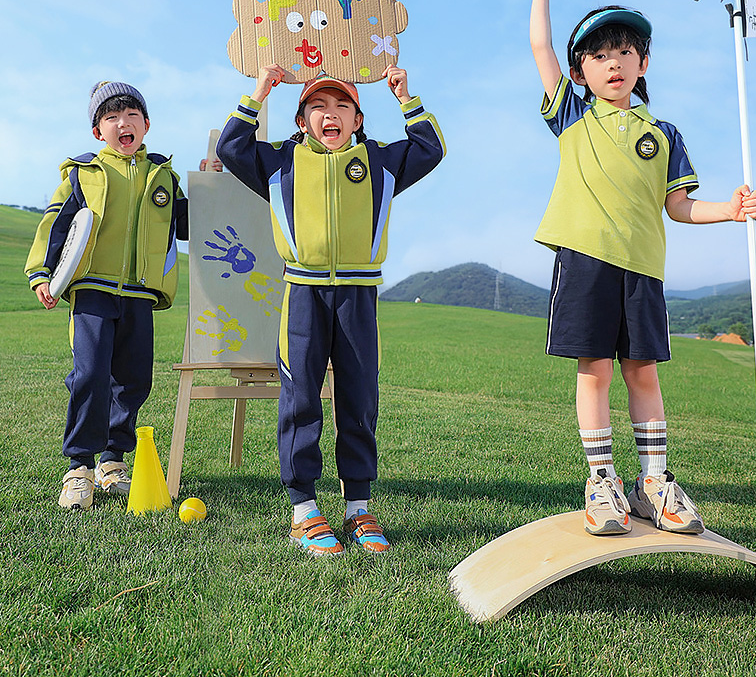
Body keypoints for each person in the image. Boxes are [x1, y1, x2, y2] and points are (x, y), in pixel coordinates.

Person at [530, 0, 756, 536]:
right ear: (581, 71)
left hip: (644, 269)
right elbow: (539, 45)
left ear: (643, 64)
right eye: (600, 55)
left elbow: (680, 208)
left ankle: (654, 482)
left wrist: (733, 211)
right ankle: (601, 479)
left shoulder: (664, 133)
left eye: (625, 52)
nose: (614, 63)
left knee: (642, 372)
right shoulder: (573, 116)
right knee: (595, 371)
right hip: (585, 262)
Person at [216, 64, 445, 555]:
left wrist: (406, 96)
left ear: (358, 119)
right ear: (302, 121)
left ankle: (358, 508)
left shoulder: (379, 162)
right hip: (302, 295)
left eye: (342, 105)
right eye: (318, 106)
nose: (330, 114)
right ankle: (304, 509)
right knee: (300, 397)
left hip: (360, 297)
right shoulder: (281, 162)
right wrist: (260, 90)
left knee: (359, 399)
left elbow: (430, 149)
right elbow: (231, 147)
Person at [25, 81, 188, 510]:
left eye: (131, 114)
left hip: (139, 294)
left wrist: (207, 182)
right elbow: (55, 225)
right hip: (93, 290)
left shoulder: (163, 177)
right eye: (111, 117)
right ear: (99, 131)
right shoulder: (84, 173)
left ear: (146, 124)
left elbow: (186, 226)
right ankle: (79, 467)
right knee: (91, 374)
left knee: (134, 379)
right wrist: (42, 273)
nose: (123, 122)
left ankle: (112, 462)